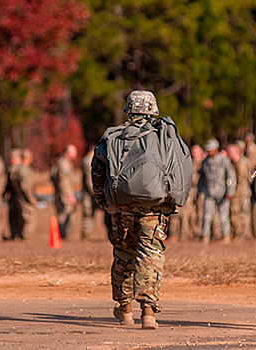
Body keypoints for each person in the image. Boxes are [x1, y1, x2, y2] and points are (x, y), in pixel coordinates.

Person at [92, 90, 190, 329]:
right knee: (150, 255)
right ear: (152, 110)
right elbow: (180, 171)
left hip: (121, 209)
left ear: (129, 109)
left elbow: (97, 172)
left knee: (123, 256)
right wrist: (171, 201)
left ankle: (124, 310)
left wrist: (105, 202)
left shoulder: (113, 137)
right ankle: (148, 313)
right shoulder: (164, 136)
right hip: (154, 210)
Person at [198, 139, 236, 244]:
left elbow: (230, 176)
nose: (209, 152)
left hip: (222, 193)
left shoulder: (224, 161)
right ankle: (205, 236)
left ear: (216, 149)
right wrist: (201, 190)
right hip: (209, 192)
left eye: (211, 150)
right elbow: (201, 177)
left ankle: (226, 236)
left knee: (224, 216)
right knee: (206, 216)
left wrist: (230, 191)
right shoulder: (205, 162)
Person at [169, 144, 203, 240]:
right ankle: (178, 234)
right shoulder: (188, 162)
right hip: (187, 191)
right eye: (193, 151)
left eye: (196, 152)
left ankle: (192, 232)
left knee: (195, 214)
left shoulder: (202, 163)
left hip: (197, 192)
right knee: (182, 213)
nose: (194, 153)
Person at [5, 149, 37, 240]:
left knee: (18, 217)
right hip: (24, 197)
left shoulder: (16, 169)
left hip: (17, 197)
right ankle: (25, 235)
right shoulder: (24, 170)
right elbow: (25, 187)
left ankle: (17, 234)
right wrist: (31, 198)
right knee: (29, 217)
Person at [51, 145, 77, 239]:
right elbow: (63, 182)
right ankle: (63, 235)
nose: (75, 154)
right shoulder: (64, 165)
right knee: (65, 214)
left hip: (61, 194)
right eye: (73, 152)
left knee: (64, 213)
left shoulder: (61, 163)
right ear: (67, 153)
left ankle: (63, 235)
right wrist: (70, 195)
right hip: (64, 195)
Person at [227, 143, 252, 240]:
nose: (229, 154)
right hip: (237, 193)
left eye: (231, 152)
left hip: (242, 193)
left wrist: (235, 192)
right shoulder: (232, 163)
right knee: (235, 213)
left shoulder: (242, 163)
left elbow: (242, 180)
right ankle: (237, 233)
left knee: (243, 214)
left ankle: (243, 234)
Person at [81, 146, 98, 240]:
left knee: (90, 214)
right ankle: (86, 233)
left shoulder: (86, 161)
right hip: (89, 194)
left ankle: (87, 233)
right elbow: (88, 181)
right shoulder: (88, 162)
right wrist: (95, 192)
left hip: (89, 194)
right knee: (88, 213)